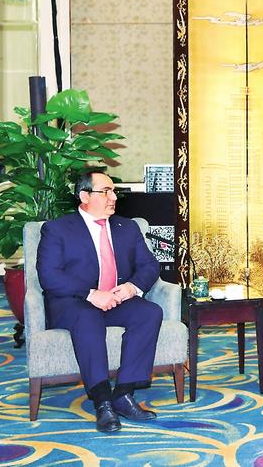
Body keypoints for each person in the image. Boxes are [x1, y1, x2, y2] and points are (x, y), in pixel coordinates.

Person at [36, 170, 162, 433]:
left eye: (113, 191)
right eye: (105, 191)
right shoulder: (57, 229)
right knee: (88, 316)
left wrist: (131, 287)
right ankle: (103, 401)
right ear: (84, 196)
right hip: (73, 303)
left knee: (149, 313)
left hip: (115, 299)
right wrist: (92, 294)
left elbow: (149, 265)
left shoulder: (127, 228)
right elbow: (49, 276)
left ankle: (124, 394)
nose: (113, 197)